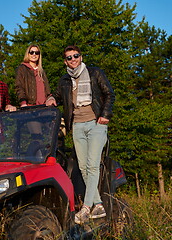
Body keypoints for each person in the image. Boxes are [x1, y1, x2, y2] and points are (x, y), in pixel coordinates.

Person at [46, 45, 115, 224]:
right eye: (69, 57)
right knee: (83, 167)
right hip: (77, 125)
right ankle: (98, 205)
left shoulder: (95, 73)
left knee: (92, 166)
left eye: (75, 56)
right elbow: (57, 96)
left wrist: (105, 115)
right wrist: (51, 99)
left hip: (96, 124)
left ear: (81, 57)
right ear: (65, 61)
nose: (73, 59)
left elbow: (109, 94)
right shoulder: (65, 80)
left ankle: (86, 207)